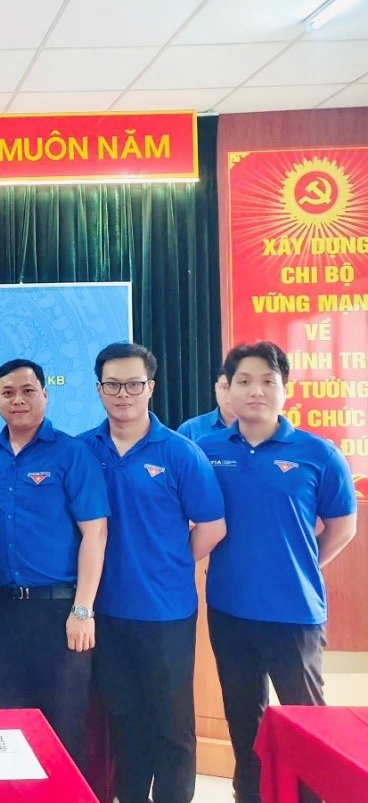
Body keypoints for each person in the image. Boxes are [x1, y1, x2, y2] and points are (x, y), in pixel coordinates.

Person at [199, 341, 357, 803]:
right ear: (227, 389)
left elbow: (343, 527)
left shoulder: (318, 453)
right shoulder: (206, 451)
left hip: (295, 613)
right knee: (244, 721)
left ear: (285, 389)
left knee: (307, 723)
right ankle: (249, 796)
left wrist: (303, 564)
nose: (256, 391)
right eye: (244, 381)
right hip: (230, 612)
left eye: (268, 381)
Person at [78, 342, 226, 803]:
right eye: (113, 385)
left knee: (172, 725)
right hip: (104, 612)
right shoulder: (82, 450)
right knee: (124, 720)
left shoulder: (181, 453)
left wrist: (171, 561)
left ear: (151, 388)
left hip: (165, 612)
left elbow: (212, 527)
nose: (123, 394)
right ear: (99, 389)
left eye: (133, 384)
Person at [0, 358, 107, 771]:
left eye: (28, 391)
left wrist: (83, 610)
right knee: (8, 724)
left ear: (45, 395)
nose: (18, 400)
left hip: (58, 611)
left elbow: (95, 534)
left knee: (64, 725)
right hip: (1, 611)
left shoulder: (72, 453)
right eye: (8, 392)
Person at [176, 369, 235, 441]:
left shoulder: (249, 431)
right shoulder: (190, 430)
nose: (230, 394)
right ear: (216, 388)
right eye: (225, 387)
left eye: (237, 388)